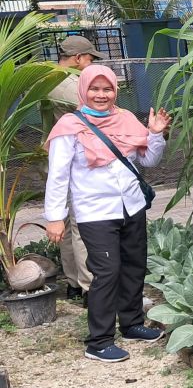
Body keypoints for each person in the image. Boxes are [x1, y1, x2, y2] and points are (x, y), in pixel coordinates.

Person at [44, 64, 171, 363]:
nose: (101, 95)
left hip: (132, 205)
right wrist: (54, 217)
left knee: (134, 265)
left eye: (107, 89)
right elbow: (58, 175)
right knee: (107, 272)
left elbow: (149, 160)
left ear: (115, 90)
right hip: (95, 211)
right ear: (83, 90)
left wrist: (154, 134)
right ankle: (98, 341)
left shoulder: (125, 118)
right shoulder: (69, 126)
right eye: (94, 89)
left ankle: (131, 324)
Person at [44, 35, 104, 301]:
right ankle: (90, 287)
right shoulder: (66, 83)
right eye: (89, 59)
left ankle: (73, 282)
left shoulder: (47, 79)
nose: (90, 64)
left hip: (57, 155)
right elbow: (96, 113)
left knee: (68, 227)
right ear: (78, 58)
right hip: (73, 158)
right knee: (81, 226)